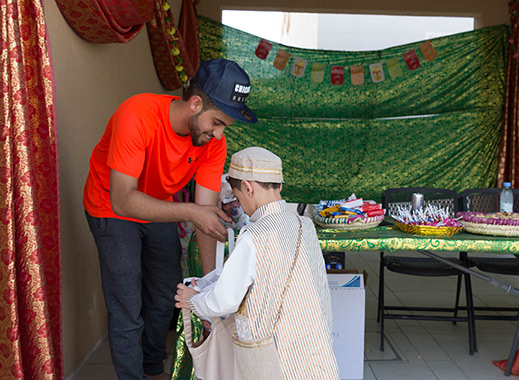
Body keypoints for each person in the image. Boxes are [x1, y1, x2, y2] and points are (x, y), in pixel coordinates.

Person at [83, 58, 257, 380]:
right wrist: (190, 211)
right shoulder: (137, 115)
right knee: (128, 306)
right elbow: (124, 200)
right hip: (111, 206)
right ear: (195, 104)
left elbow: (206, 216)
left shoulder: (213, 143)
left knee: (166, 294)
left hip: (157, 205)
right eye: (217, 122)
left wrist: (209, 289)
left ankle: (152, 369)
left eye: (224, 127)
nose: (219, 134)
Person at [174, 147, 340, 380]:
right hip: (314, 350)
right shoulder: (306, 226)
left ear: (247, 188)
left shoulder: (254, 236)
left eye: (239, 198)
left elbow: (225, 300)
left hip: (276, 359)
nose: (241, 205)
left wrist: (193, 299)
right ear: (279, 185)